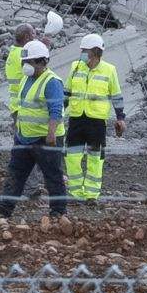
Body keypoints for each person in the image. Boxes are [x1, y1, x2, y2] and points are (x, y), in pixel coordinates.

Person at [0, 39, 68, 220]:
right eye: (24, 62)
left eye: (29, 62)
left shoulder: (52, 82)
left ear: (42, 62)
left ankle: (58, 212)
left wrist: (51, 133)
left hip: (45, 139)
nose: (25, 66)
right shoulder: (26, 79)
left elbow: (56, 110)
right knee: (16, 172)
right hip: (24, 137)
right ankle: (5, 209)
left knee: (53, 175)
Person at [62, 32, 123, 204]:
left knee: (95, 158)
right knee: (72, 157)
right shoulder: (75, 67)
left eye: (84, 50)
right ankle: (75, 194)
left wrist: (120, 117)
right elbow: (67, 92)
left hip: (96, 122)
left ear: (95, 52)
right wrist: (59, 112)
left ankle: (91, 195)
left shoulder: (109, 70)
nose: (81, 53)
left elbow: (116, 96)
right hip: (76, 118)